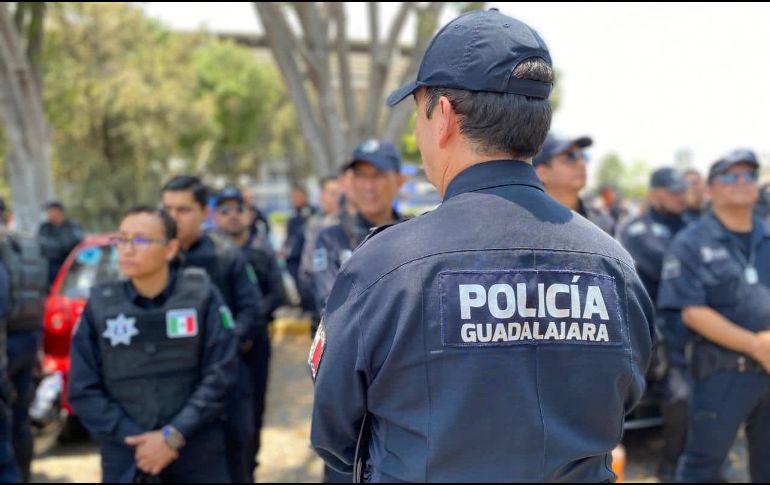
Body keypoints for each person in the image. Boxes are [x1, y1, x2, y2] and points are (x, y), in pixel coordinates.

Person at [309, 9, 654, 482]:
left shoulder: (386, 267)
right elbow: (621, 399)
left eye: (418, 114)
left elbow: (335, 433)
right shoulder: (614, 265)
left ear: (444, 116)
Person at [68, 206, 237, 482]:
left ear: (170, 249)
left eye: (140, 240)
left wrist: (173, 435)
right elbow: (82, 388)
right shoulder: (99, 306)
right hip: (128, 456)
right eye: (121, 239)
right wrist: (140, 441)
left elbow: (222, 373)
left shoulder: (202, 295)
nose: (127, 249)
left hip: (196, 452)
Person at [659, 149, 770, 483]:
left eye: (748, 175)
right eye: (728, 176)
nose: (740, 182)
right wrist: (758, 345)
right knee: (703, 468)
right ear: (709, 190)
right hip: (722, 375)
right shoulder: (690, 242)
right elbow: (692, 312)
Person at [161, 176, 264, 483]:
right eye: (168, 209)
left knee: (237, 459)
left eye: (183, 210)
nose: (174, 218)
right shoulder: (157, 257)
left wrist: (224, 347)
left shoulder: (226, 254)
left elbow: (251, 310)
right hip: (172, 385)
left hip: (226, 382)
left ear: (204, 212)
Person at [618, 167, 690, 481]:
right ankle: (670, 467)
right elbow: (672, 271)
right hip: (658, 333)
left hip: (697, 329)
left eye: (682, 190)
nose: (680, 196)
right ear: (654, 193)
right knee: (681, 395)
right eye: (672, 191)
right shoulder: (638, 230)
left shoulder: (692, 224)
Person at [213, 186, 285, 475]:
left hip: (254, 346)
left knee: (252, 414)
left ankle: (249, 466)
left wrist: (249, 325)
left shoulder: (260, 250)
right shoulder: (210, 254)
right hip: (218, 348)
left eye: (237, 209)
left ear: (248, 214)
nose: (232, 216)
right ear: (215, 216)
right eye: (225, 210)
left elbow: (277, 293)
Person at [310, 140, 406, 314]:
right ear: (350, 181)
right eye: (360, 175)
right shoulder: (332, 238)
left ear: (399, 180)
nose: (368, 186)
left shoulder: (414, 234)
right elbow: (332, 307)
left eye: (378, 175)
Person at [533, 133, 616, 234]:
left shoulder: (602, 222)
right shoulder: (526, 222)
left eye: (583, 156)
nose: (581, 164)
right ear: (542, 173)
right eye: (570, 156)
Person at [298, 176, 343, 335]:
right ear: (321, 195)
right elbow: (306, 268)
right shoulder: (314, 224)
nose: (337, 198)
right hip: (320, 306)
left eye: (340, 193)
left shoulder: (350, 226)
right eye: (332, 193)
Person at [37, 201, 84, 286]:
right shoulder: (45, 227)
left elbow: (75, 243)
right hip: (50, 267)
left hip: (71, 266)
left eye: (49, 211)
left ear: (58, 211)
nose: (47, 214)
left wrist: (57, 246)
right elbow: (42, 245)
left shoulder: (72, 226)